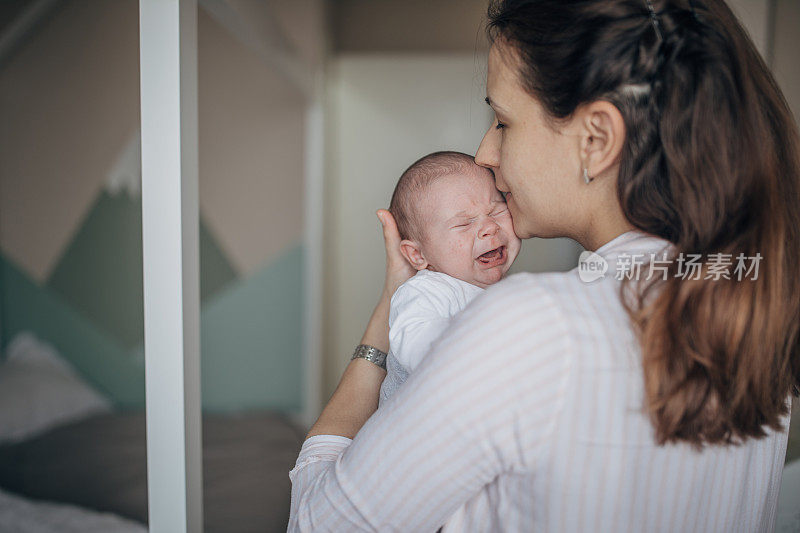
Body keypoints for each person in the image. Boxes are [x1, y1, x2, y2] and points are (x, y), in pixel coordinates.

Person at [289, 0, 800, 530]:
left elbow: (316, 522)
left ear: (596, 140)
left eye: (502, 121)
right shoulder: (754, 310)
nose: (485, 152)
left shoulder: (535, 328)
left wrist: (387, 311)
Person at [379, 151, 521, 406]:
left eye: (497, 211)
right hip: (418, 434)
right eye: (464, 224)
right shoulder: (425, 291)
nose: (490, 227)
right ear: (417, 255)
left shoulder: (511, 289)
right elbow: (417, 345)